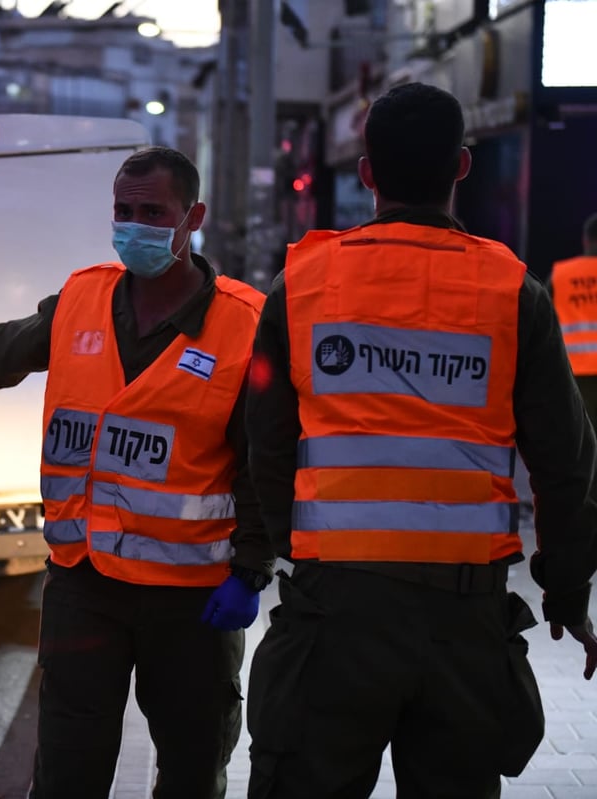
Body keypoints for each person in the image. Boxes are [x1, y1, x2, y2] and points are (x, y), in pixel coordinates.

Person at [0, 146, 275, 799]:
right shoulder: (83, 301)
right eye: (123, 211)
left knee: (194, 764)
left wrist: (251, 567)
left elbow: (264, 456)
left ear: (192, 216)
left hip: (191, 595)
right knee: (66, 765)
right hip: (85, 583)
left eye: (153, 212)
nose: (134, 225)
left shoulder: (242, 323)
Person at [244, 81, 597, 799]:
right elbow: (565, 461)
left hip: (334, 606)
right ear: (462, 166)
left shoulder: (301, 285)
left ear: (366, 172)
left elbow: (265, 436)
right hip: (463, 618)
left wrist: (294, 548)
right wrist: (565, 589)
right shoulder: (513, 292)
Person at [550, 212, 597, 422]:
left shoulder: (561, 274)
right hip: (574, 371)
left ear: (585, 240)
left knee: (581, 438)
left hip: (572, 370)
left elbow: (540, 318)